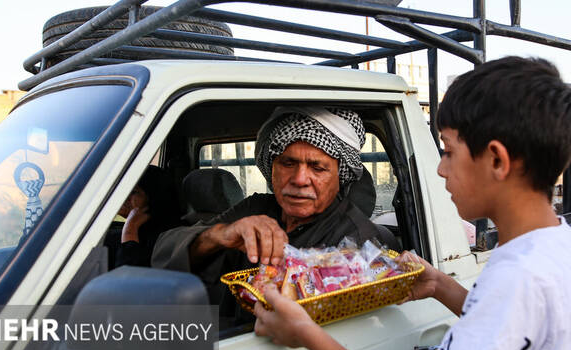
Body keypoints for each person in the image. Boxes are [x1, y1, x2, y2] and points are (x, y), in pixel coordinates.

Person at [253, 57, 571, 350]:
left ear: (496, 160)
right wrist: (440, 285)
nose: (440, 169)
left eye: (448, 152)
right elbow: (511, 324)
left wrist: (306, 333)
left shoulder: (518, 275)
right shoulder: (551, 242)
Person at [151, 106, 397, 323]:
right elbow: (164, 254)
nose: (299, 179)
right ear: (272, 167)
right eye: (288, 164)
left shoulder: (358, 240)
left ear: (339, 177)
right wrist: (219, 235)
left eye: (317, 167)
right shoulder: (255, 208)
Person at [107, 165, 180, 268]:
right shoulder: (140, 232)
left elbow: (128, 274)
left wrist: (130, 229)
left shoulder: (165, 240)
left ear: (153, 197)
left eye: (133, 192)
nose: (125, 197)